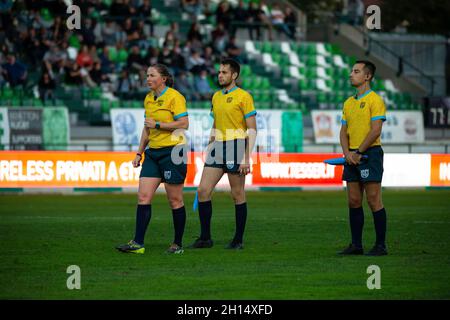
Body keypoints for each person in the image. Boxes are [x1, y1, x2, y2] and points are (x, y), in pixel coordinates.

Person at [116, 63, 190, 254]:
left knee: (175, 200)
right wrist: (139, 152)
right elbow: (146, 128)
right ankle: (138, 243)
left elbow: (184, 124)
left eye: (152, 75)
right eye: (147, 75)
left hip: (174, 151)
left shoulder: (175, 97)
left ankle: (177, 244)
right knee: (143, 197)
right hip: (153, 153)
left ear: (163, 78)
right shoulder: (148, 98)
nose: (148, 79)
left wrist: (157, 124)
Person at [190, 58, 257, 250]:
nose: (220, 75)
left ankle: (238, 239)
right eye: (219, 72)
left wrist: (246, 157)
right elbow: (215, 124)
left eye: (224, 72)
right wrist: (210, 145)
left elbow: (252, 129)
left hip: (236, 145)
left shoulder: (244, 96)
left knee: (237, 194)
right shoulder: (216, 96)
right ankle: (205, 238)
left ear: (234, 75)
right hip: (217, 146)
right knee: (203, 191)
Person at [339, 60, 388, 256]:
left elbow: (376, 130)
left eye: (356, 71)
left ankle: (381, 245)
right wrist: (348, 154)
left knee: (374, 200)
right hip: (352, 155)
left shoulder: (375, 100)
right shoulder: (348, 103)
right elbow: (343, 132)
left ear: (367, 76)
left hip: (370, 154)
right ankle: (356, 245)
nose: (351, 74)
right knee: (353, 200)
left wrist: (359, 152)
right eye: (352, 71)